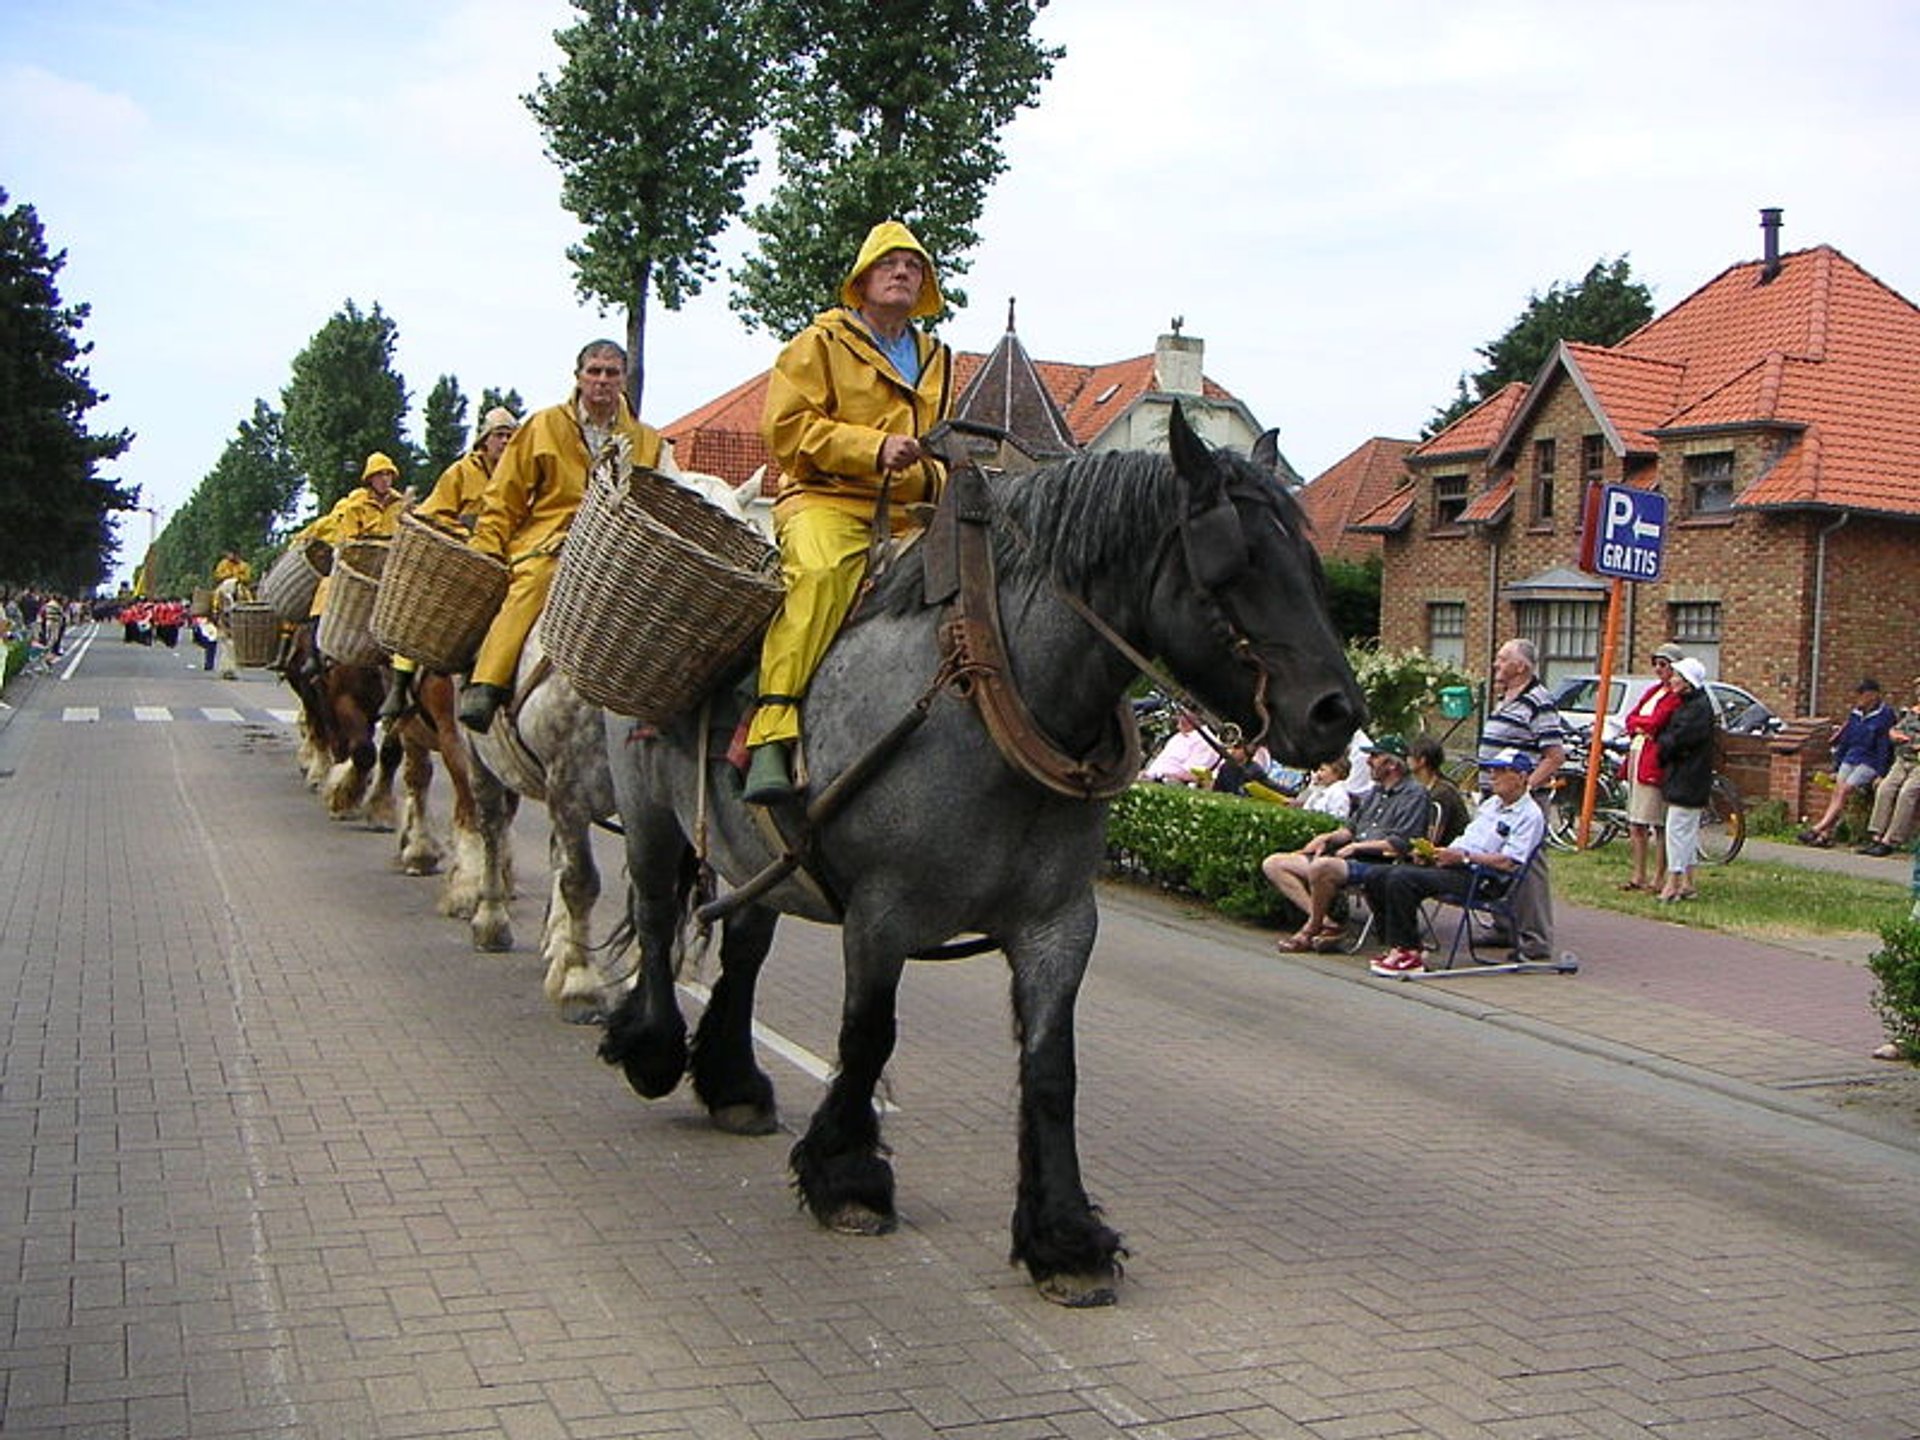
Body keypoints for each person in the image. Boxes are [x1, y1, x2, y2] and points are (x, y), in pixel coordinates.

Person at [741, 219, 955, 804]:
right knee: (821, 575)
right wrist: (872, 449)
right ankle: (771, 730)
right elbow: (787, 430)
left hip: (912, 511)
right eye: (890, 263)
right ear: (862, 281)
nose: (903, 272)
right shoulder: (820, 343)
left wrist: (938, 474)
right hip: (826, 498)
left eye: (914, 266)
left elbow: (938, 442)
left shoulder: (938, 358)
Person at [461, 344, 668, 732]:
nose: (602, 380)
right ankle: (487, 682)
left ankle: (666, 702)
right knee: (532, 587)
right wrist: (487, 547)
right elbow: (504, 496)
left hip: (618, 550)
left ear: (624, 379)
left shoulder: (647, 440)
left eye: (611, 373)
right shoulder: (542, 426)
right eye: (594, 372)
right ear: (578, 377)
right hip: (552, 543)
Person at [379, 406, 521, 721]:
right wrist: (465, 532)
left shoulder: (521, 474)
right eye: (499, 435)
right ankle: (400, 686)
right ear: (484, 441)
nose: (505, 442)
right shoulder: (460, 473)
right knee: (422, 613)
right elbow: (433, 513)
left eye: (511, 436)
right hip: (462, 562)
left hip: (507, 563)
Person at [1365, 747, 1546, 977]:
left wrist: (1464, 857)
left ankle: (1410, 951)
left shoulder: (1530, 815)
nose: (1493, 776)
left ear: (1521, 777)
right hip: (1458, 864)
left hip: (1484, 878)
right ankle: (1396, 943)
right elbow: (1467, 838)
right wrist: (1437, 854)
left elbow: (1509, 863)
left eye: (1501, 771)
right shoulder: (1491, 805)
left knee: (1403, 879)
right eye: (1492, 770)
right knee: (1377, 875)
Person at [1262, 734, 1429, 953]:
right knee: (1274, 864)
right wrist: (1328, 838)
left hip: (1379, 864)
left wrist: (1357, 847)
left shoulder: (1415, 795)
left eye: (1374, 757)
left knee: (1323, 867)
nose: (1368, 761)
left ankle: (1311, 929)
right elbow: (1350, 828)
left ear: (1391, 764)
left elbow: (1402, 843)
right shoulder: (1376, 791)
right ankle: (1327, 924)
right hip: (1347, 858)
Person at [1475, 637, 1567, 961]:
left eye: (1502, 660)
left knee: (1527, 865)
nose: (1496, 665)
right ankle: (1503, 925)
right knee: (1493, 854)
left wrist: (1525, 788)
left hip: (1521, 799)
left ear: (1521, 667)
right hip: (1497, 797)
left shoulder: (1538, 701)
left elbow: (1554, 755)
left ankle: (1536, 938)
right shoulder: (1506, 698)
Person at [1798, 677, 1896, 847]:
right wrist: (1836, 766)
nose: (1858, 699)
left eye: (1861, 695)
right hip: (1851, 757)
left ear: (1872, 695)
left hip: (1869, 761)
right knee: (1837, 790)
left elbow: (1884, 747)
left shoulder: (1884, 716)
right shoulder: (1855, 714)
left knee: (1844, 791)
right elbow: (1845, 741)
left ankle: (1818, 828)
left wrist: (1881, 772)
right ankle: (1825, 834)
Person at [1619, 643, 1686, 891]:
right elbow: (1631, 718)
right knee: (1636, 821)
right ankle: (1638, 874)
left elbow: (1657, 722)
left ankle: (1659, 876)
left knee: (1656, 821)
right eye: (1656, 664)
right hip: (1638, 755)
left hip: (1653, 761)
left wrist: (1643, 726)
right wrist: (1639, 725)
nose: (1659, 670)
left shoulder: (1674, 697)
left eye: (1664, 665)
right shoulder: (1653, 691)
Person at [1655, 657, 1717, 902]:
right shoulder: (1695, 705)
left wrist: (1662, 746)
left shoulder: (1695, 710)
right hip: (1690, 775)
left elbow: (1678, 740)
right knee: (1686, 831)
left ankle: (1673, 882)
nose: (1672, 680)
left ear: (1688, 682)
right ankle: (1688, 883)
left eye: (1677, 676)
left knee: (1677, 830)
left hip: (1688, 777)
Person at [1856, 676, 1920, 857]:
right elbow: (1894, 729)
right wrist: (1895, 735)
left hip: (1919, 764)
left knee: (1907, 793)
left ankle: (1891, 840)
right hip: (1902, 760)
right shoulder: (1912, 713)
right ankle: (1876, 836)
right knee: (1885, 788)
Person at [1408, 735, 1470, 844]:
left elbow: (1432, 839)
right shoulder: (1422, 789)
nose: (1406, 759)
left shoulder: (1441, 794)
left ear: (1422, 760)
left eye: (1409, 755)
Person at [1141, 709, 1220, 785]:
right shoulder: (1178, 736)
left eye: (1184, 713)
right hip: (1150, 779)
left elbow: (1192, 775)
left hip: (1168, 784)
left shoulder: (1205, 741)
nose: (1178, 716)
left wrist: (1158, 776)